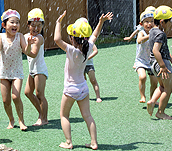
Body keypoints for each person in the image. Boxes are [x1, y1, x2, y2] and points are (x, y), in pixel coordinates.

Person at [54, 10, 113, 149]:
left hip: (71, 89)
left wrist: (58, 22)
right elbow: (95, 35)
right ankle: (94, 142)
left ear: (73, 39)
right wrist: (100, 22)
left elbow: (57, 39)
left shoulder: (71, 50)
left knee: (64, 115)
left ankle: (68, 142)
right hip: (83, 88)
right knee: (87, 116)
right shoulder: (88, 48)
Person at [0, 9, 32, 131]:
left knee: (15, 97)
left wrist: (29, 44)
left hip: (17, 72)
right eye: (12, 22)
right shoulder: (1, 37)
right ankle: (11, 119)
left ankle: (21, 120)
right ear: (4, 25)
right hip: (4, 73)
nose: (15, 25)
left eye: (17, 22)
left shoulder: (20, 36)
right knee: (6, 100)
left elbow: (27, 51)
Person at [24, 8, 49, 126]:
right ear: (28, 24)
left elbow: (33, 54)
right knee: (27, 92)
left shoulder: (39, 38)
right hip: (32, 70)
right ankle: (41, 112)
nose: (36, 28)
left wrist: (27, 47)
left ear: (43, 26)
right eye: (33, 25)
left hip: (40, 70)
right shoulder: (25, 36)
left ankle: (44, 118)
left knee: (40, 94)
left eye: (39, 25)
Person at [147, 5, 172, 120]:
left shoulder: (152, 31)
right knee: (168, 88)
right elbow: (155, 50)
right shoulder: (161, 34)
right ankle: (161, 112)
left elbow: (163, 50)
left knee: (162, 86)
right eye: (169, 21)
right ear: (162, 22)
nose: (170, 24)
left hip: (153, 63)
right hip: (161, 64)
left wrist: (170, 59)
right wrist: (163, 65)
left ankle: (152, 101)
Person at [135, 10, 157, 103]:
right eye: (146, 22)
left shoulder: (156, 32)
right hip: (141, 61)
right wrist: (149, 36)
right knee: (142, 77)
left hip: (152, 61)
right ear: (141, 23)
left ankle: (152, 99)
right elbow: (139, 40)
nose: (149, 24)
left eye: (151, 21)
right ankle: (142, 96)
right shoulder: (142, 32)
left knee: (154, 82)